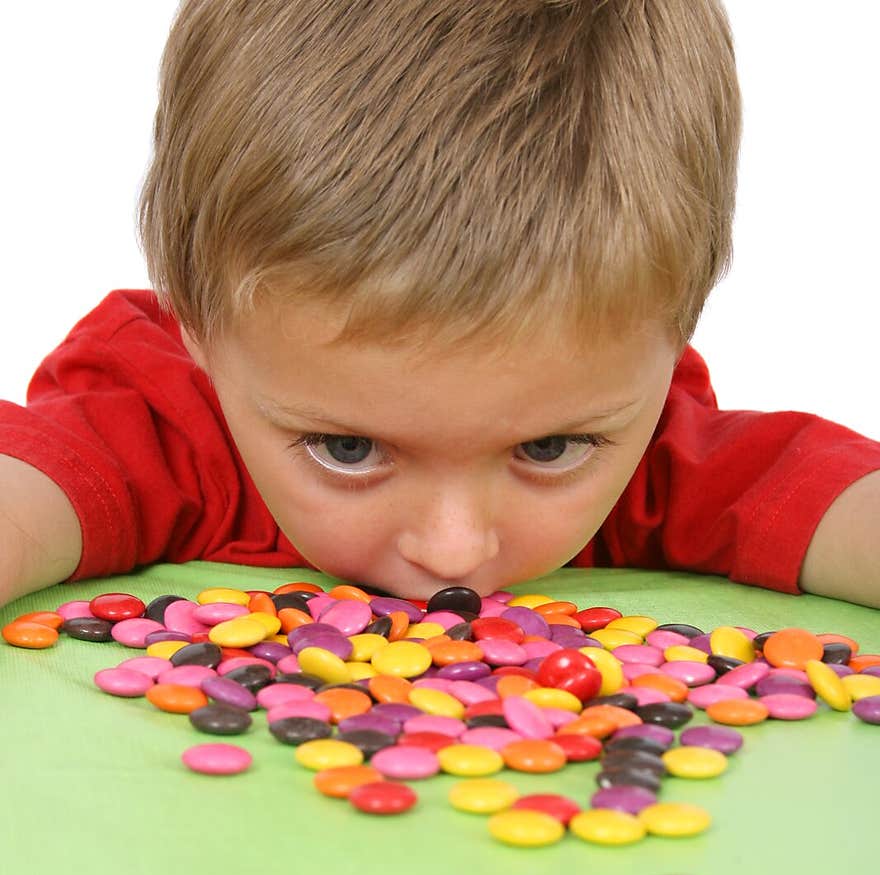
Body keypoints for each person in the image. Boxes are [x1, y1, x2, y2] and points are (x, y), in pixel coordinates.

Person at [1, 0, 878, 611]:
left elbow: (821, 495)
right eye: (348, 450)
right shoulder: (159, 428)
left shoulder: (652, 463)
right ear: (199, 327)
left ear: (678, 327)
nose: (453, 550)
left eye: (547, 448)